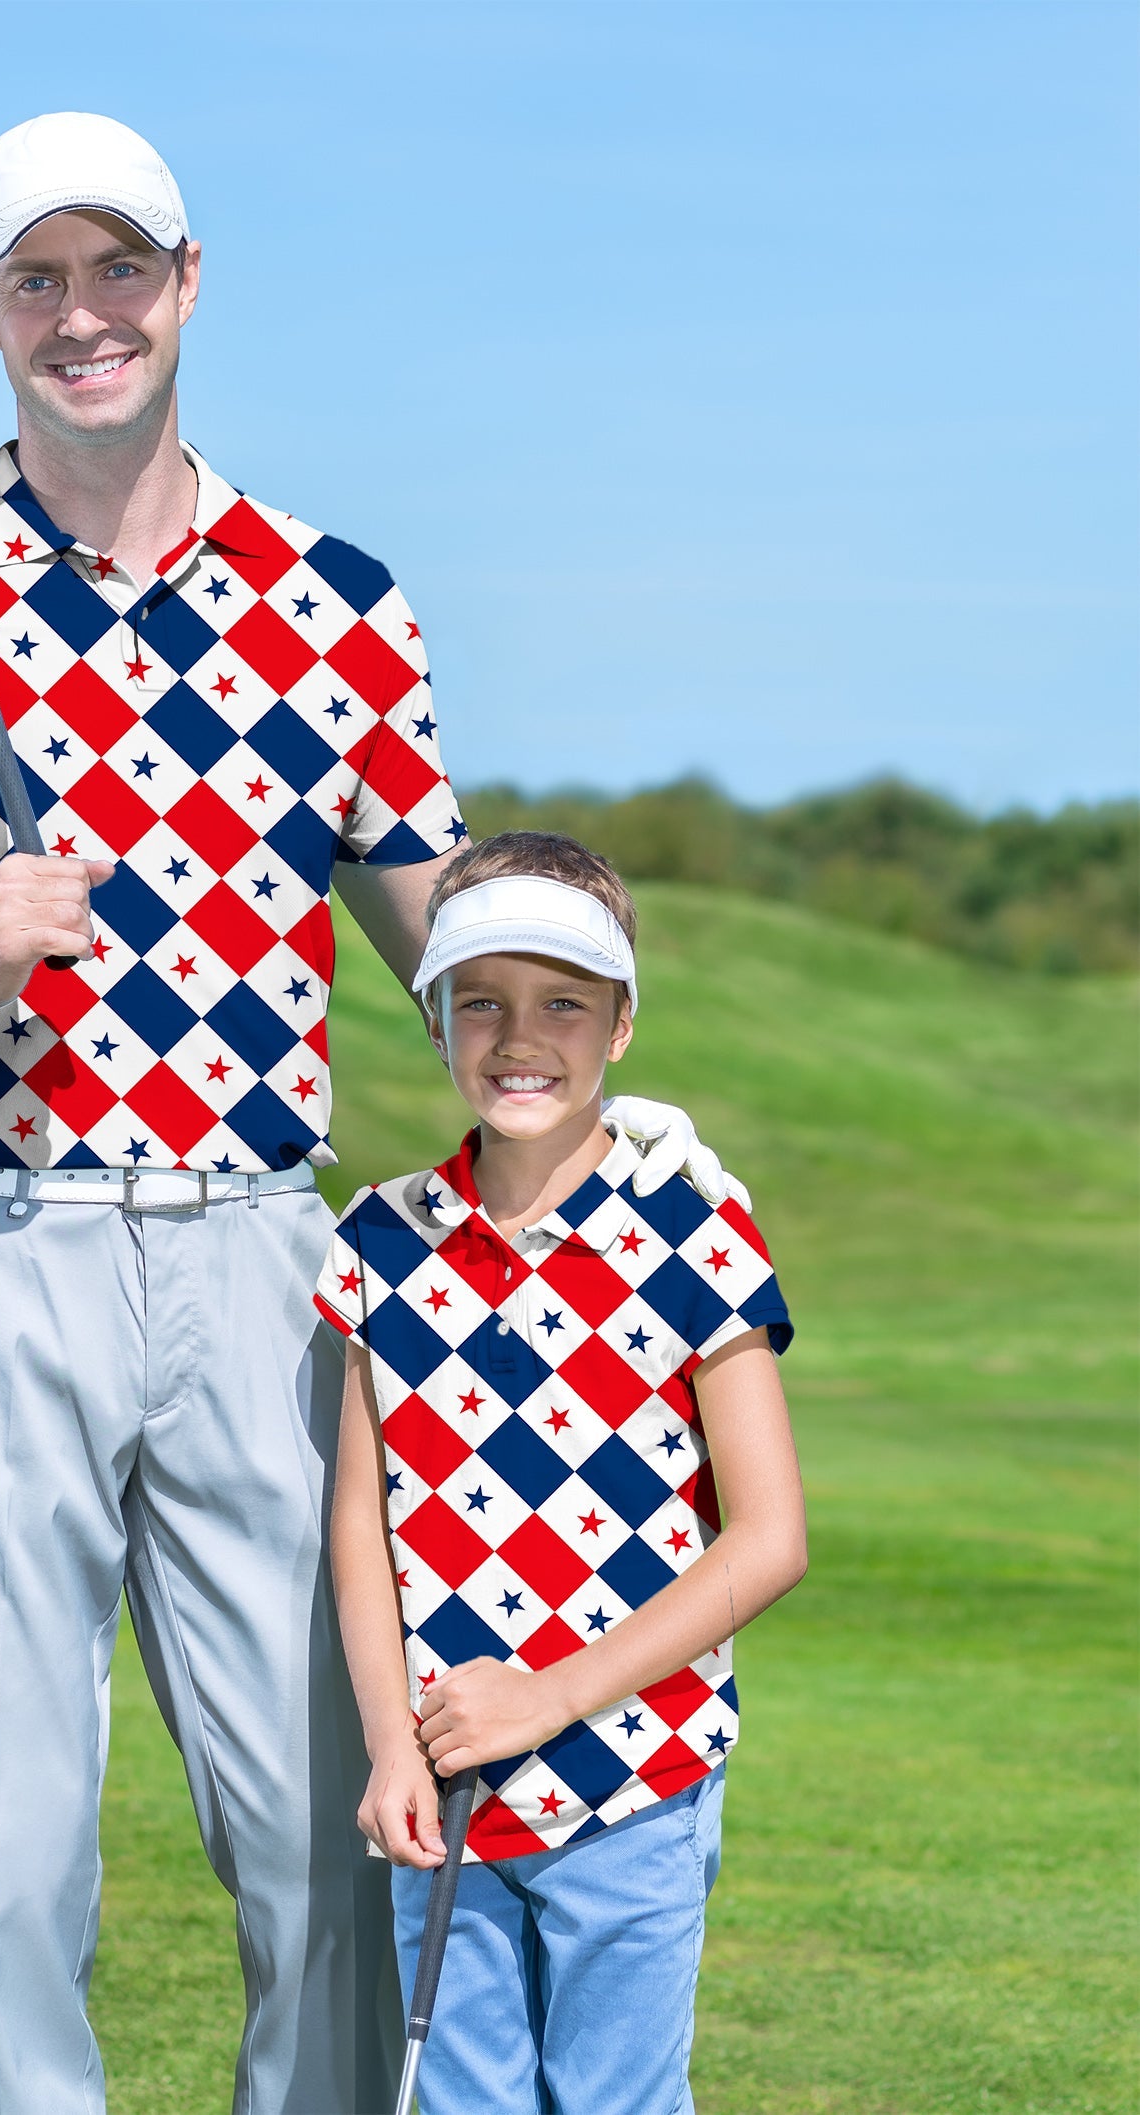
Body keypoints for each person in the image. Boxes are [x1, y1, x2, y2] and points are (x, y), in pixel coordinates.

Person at [0, 116, 734, 2113]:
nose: (83, 316)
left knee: (339, 1821)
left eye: (118, 269)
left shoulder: (339, 605)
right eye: (35, 280)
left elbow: (452, 949)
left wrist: (610, 1085)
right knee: (4, 1857)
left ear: (186, 282)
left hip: (263, 1258)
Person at [320, 831, 809, 2114]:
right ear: (433, 1017)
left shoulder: (695, 1231)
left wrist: (546, 1702)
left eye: (562, 1004)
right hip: (444, 1783)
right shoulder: (379, 1238)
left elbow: (769, 1540)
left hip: (636, 1772)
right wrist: (387, 1746)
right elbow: (361, 1530)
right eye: (479, 999)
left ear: (621, 1028)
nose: (517, 1036)